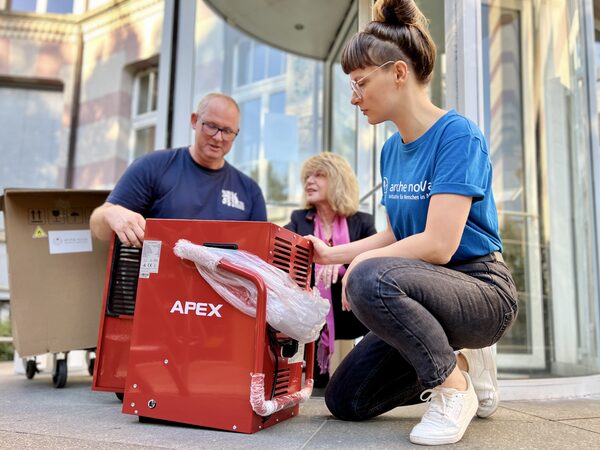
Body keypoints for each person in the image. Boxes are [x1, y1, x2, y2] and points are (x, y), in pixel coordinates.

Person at [306, 0, 518, 446]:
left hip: (480, 290)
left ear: (398, 73)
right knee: (346, 400)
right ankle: (456, 362)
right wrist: (334, 255)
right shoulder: (390, 150)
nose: (354, 96)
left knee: (369, 276)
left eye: (361, 82)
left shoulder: (458, 135)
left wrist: (363, 268)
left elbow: (440, 244)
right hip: (421, 291)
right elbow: (399, 234)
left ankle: (451, 389)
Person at [90, 93, 267, 245]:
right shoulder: (153, 166)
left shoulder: (249, 191)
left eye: (227, 131)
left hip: (223, 284)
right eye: (211, 126)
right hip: (158, 282)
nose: (218, 137)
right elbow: (97, 229)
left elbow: (260, 255)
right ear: (194, 121)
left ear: (236, 133)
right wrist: (110, 214)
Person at [284, 153, 376, 388]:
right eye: (307, 176)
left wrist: (342, 263)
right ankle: (315, 382)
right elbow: (284, 257)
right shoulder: (299, 220)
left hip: (353, 310)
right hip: (313, 311)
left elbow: (377, 261)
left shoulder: (362, 222)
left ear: (337, 180)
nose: (309, 181)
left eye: (319, 175)